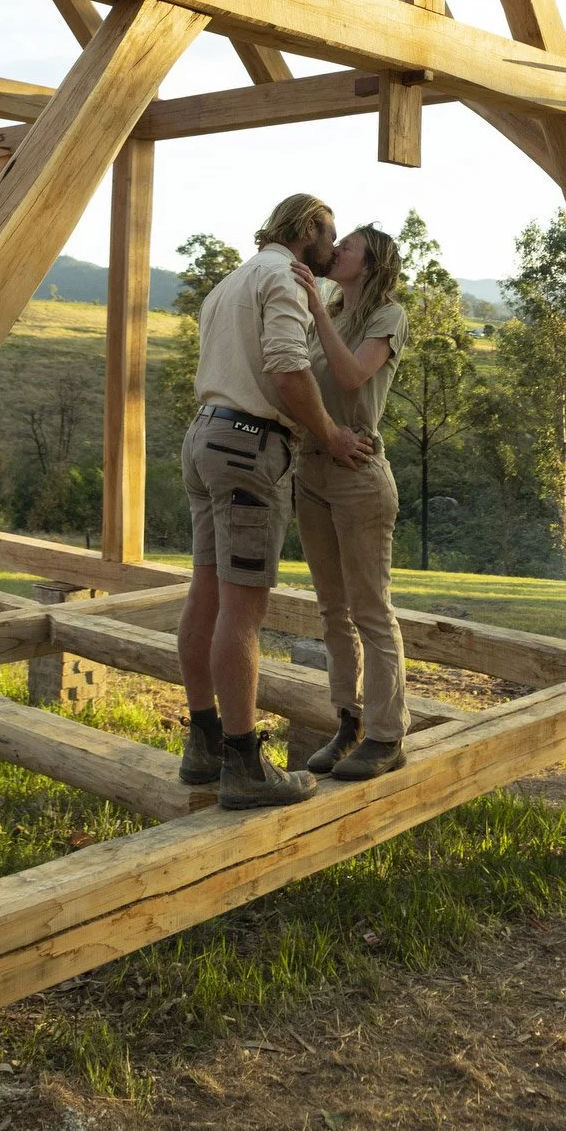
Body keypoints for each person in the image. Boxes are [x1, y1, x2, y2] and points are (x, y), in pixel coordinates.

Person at [177, 194, 375, 809]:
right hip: (248, 446)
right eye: (330, 234)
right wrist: (332, 435)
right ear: (308, 226)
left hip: (205, 436)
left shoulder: (229, 283)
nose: (332, 247)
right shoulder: (283, 277)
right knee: (242, 610)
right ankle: (243, 765)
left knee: (206, 593)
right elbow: (288, 371)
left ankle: (204, 742)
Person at [290, 224, 411, 781]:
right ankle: (349, 722)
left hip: (359, 475)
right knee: (331, 609)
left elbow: (350, 375)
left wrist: (316, 309)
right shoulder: (332, 314)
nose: (336, 249)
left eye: (349, 245)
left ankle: (387, 736)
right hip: (310, 468)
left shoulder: (388, 316)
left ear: (372, 262)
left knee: (370, 610)